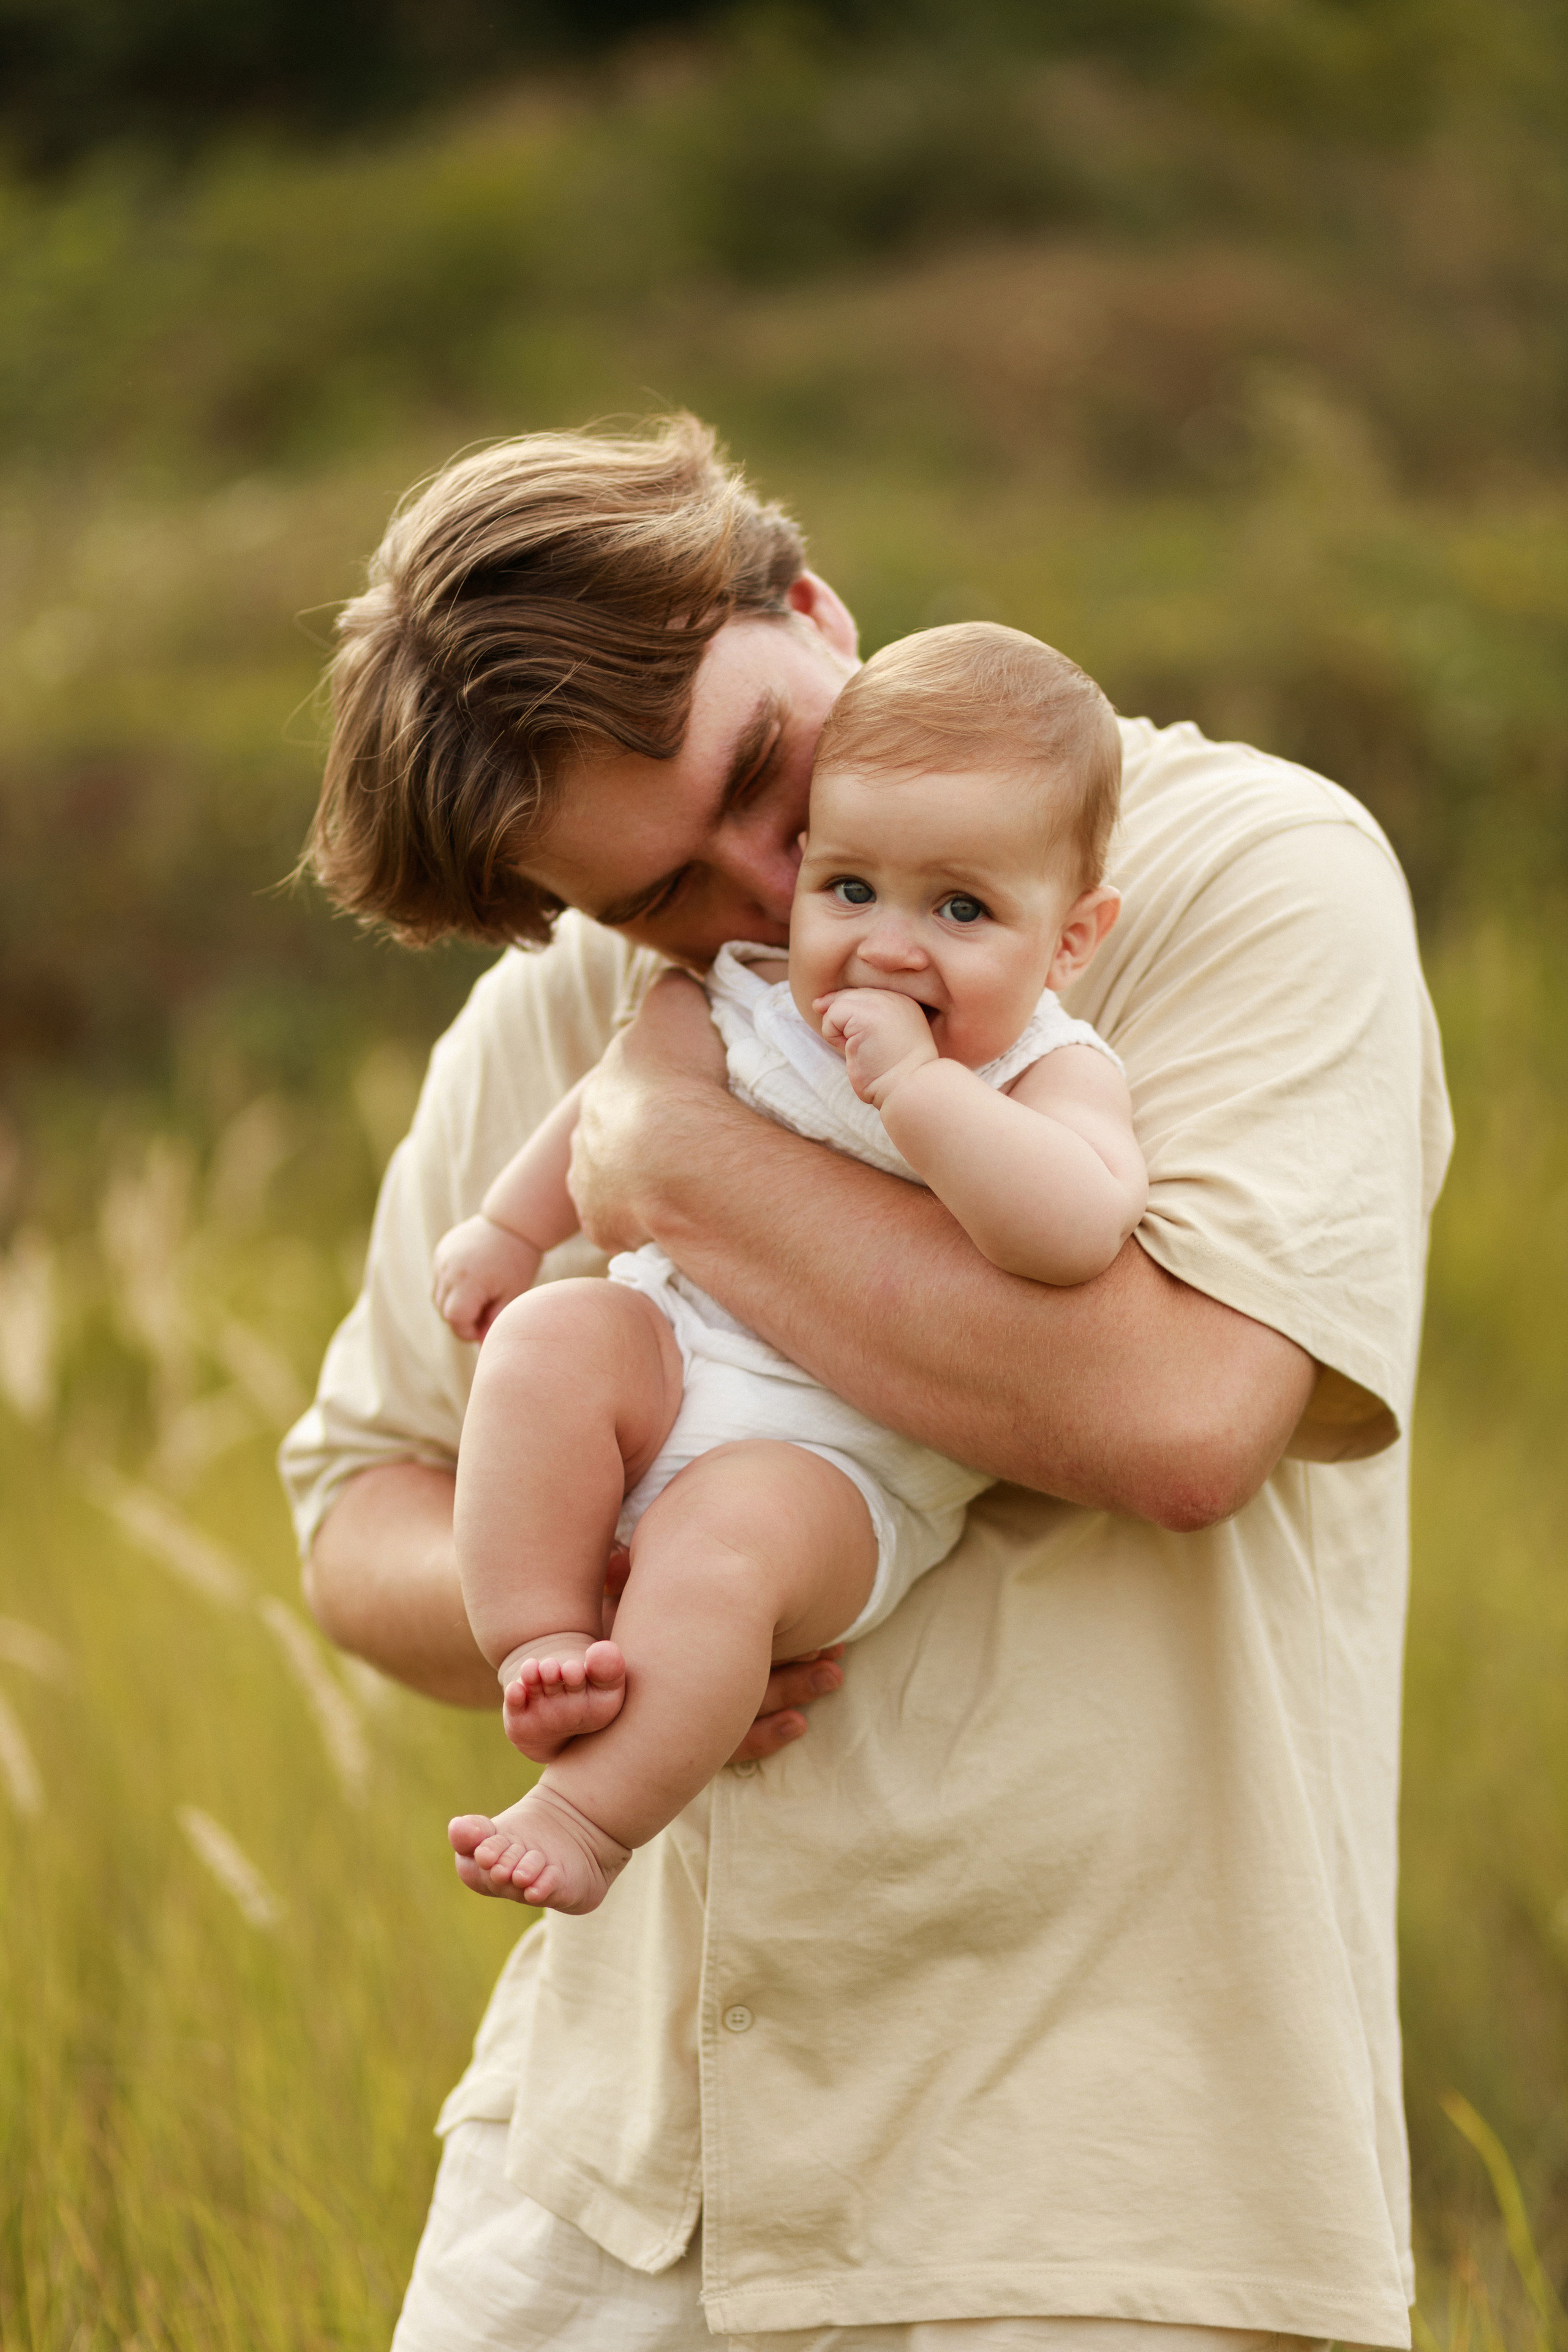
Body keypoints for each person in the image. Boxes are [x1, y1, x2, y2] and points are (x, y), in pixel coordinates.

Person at [281, 413, 1452, 2351]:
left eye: (765, 773)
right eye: (658, 895)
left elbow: (1185, 1422)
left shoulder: (1245, 870)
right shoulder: (584, 1003)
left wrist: (675, 1164)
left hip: (1094, 2187)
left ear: (813, 607)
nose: (770, 893)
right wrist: (612, 1616)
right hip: (615, 2168)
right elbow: (360, 1511)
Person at [431, 625, 1147, 1915]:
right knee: (546, 1337)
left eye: (963, 910)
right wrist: (508, 1228)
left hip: (838, 1465)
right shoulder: (751, 989)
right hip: (673, 1350)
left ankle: (584, 1820)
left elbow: (1076, 1227)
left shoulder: (1043, 1069)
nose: (888, 946)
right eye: (851, 889)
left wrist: (919, 1090)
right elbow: (608, 1106)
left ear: (1070, 938)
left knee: (721, 1542)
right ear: (807, 870)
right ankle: (546, 1642)